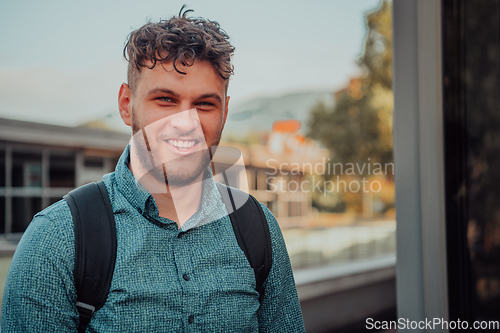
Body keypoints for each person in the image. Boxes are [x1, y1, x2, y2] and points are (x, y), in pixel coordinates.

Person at [1, 7, 306, 333]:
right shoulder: (57, 239)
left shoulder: (258, 228)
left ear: (225, 111)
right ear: (126, 105)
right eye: (165, 99)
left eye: (204, 104)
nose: (185, 123)